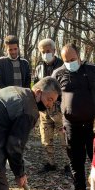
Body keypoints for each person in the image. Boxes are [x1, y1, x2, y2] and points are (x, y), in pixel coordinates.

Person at [52, 43, 95, 190]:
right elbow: (52, 96)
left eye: (72, 59)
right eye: (66, 60)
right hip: (71, 124)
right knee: (75, 157)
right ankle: (80, 188)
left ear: (79, 56)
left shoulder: (93, 71)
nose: (69, 62)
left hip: (93, 124)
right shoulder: (58, 73)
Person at [34, 38, 68, 172]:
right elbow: (36, 85)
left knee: (64, 138)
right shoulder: (39, 67)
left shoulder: (63, 66)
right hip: (44, 109)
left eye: (48, 51)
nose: (46, 54)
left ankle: (68, 164)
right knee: (46, 137)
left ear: (54, 51)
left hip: (59, 108)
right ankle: (50, 163)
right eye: (43, 52)